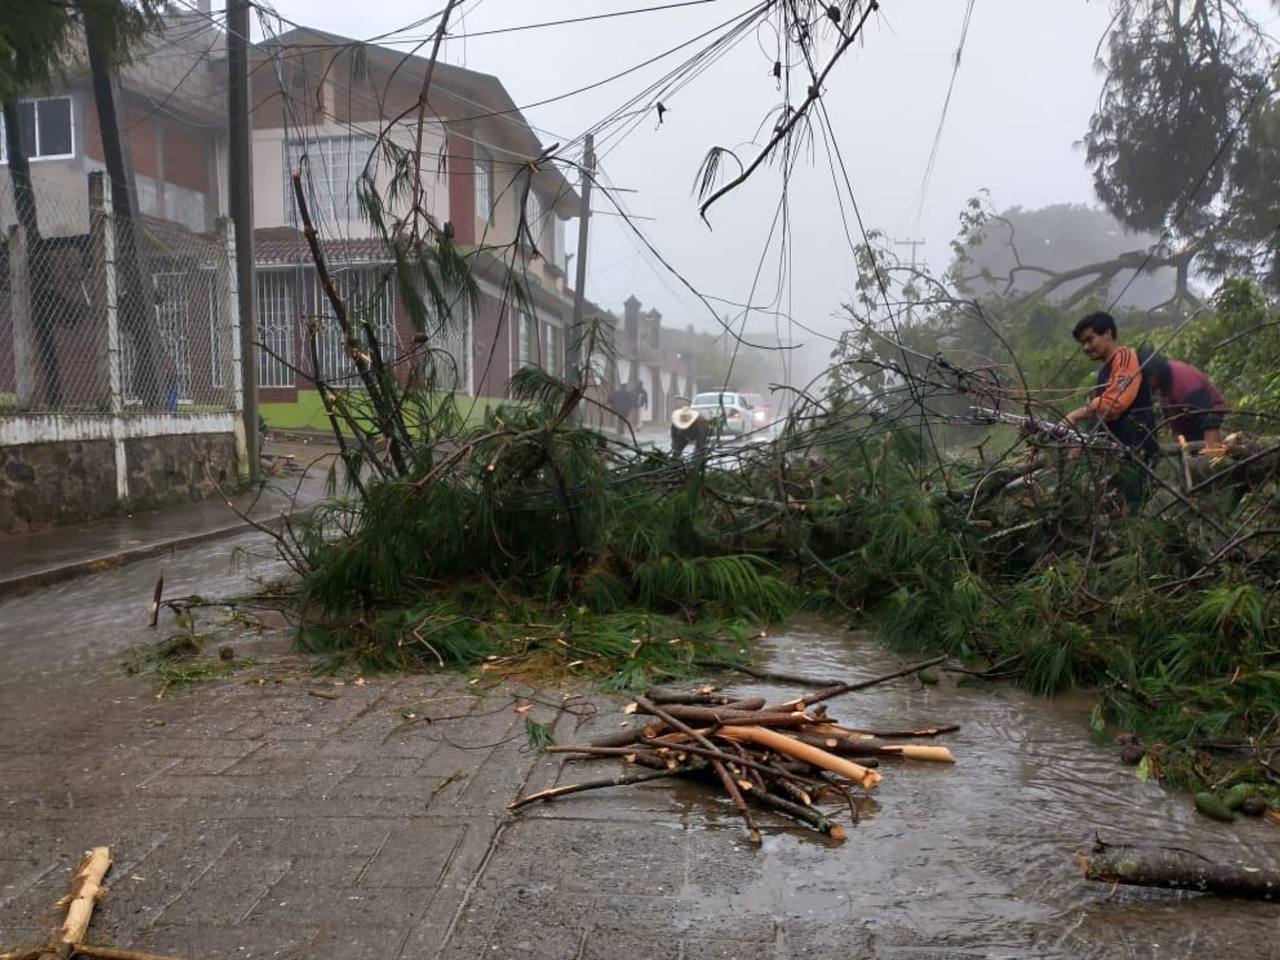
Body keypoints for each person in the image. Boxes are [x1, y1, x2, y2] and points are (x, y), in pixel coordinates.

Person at [1061, 311, 1160, 462]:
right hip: (1117, 448)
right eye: (1082, 343)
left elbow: (1114, 404)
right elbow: (1102, 416)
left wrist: (1075, 415)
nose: (1086, 347)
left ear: (1108, 333)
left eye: (1090, 339)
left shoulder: (1125, 357)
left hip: (1135, 445)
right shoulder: (1106, 368)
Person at [1139, 350, 1226, 449]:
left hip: (1207, 425)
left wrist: (1211, 454)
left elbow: (1210, 419)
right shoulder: (1164, 382)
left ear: (1153, 375)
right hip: (1188, 429)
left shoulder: (1186, 384)